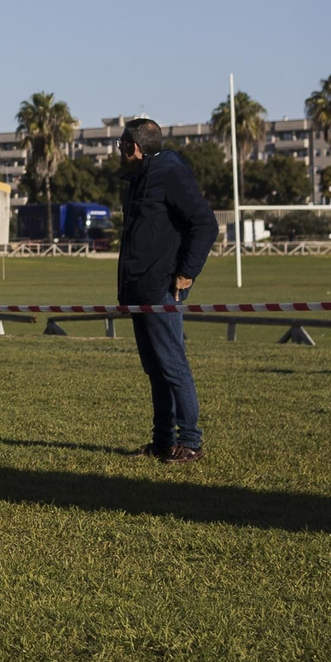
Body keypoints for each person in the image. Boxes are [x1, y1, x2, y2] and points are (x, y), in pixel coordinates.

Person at [115, 118, 218, 463]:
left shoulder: (171, 173)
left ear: (134, 148)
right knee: (155, 369)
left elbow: (204, 223)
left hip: (161, 291)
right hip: (138, 292)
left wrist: (187, 273)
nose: (117, 152)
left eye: (120, 147)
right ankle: (162, 442)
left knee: (173, 367)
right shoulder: (135, 180)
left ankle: (190, 442)